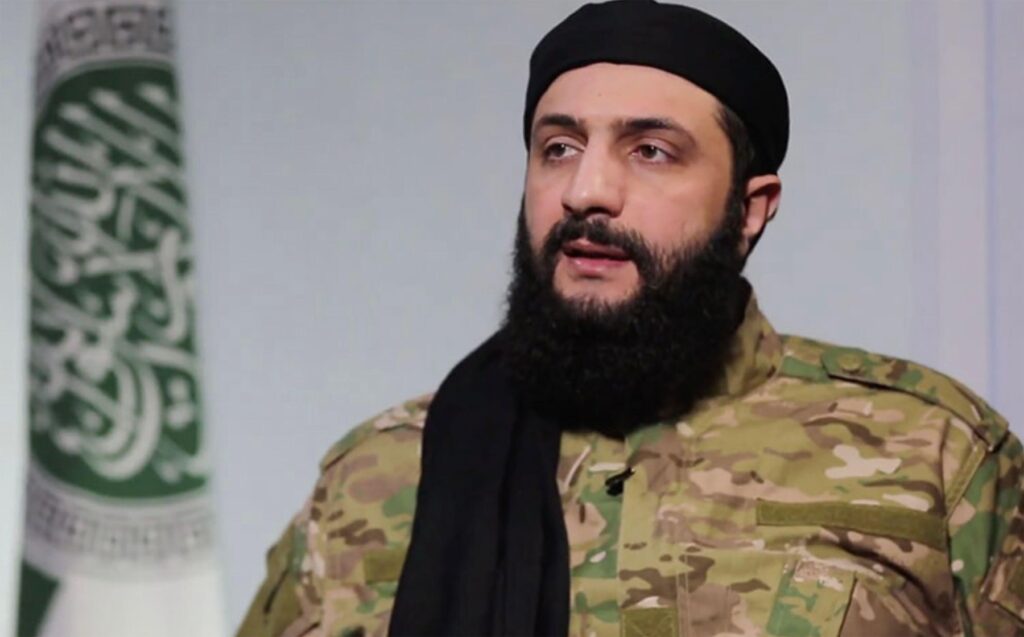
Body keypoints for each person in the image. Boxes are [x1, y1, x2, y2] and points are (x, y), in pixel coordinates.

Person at [238, 2, 1024, 636]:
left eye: (651, 151)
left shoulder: (934, 454)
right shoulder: (374, 475)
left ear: (750, 209)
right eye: (558, 147)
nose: (586, 191)